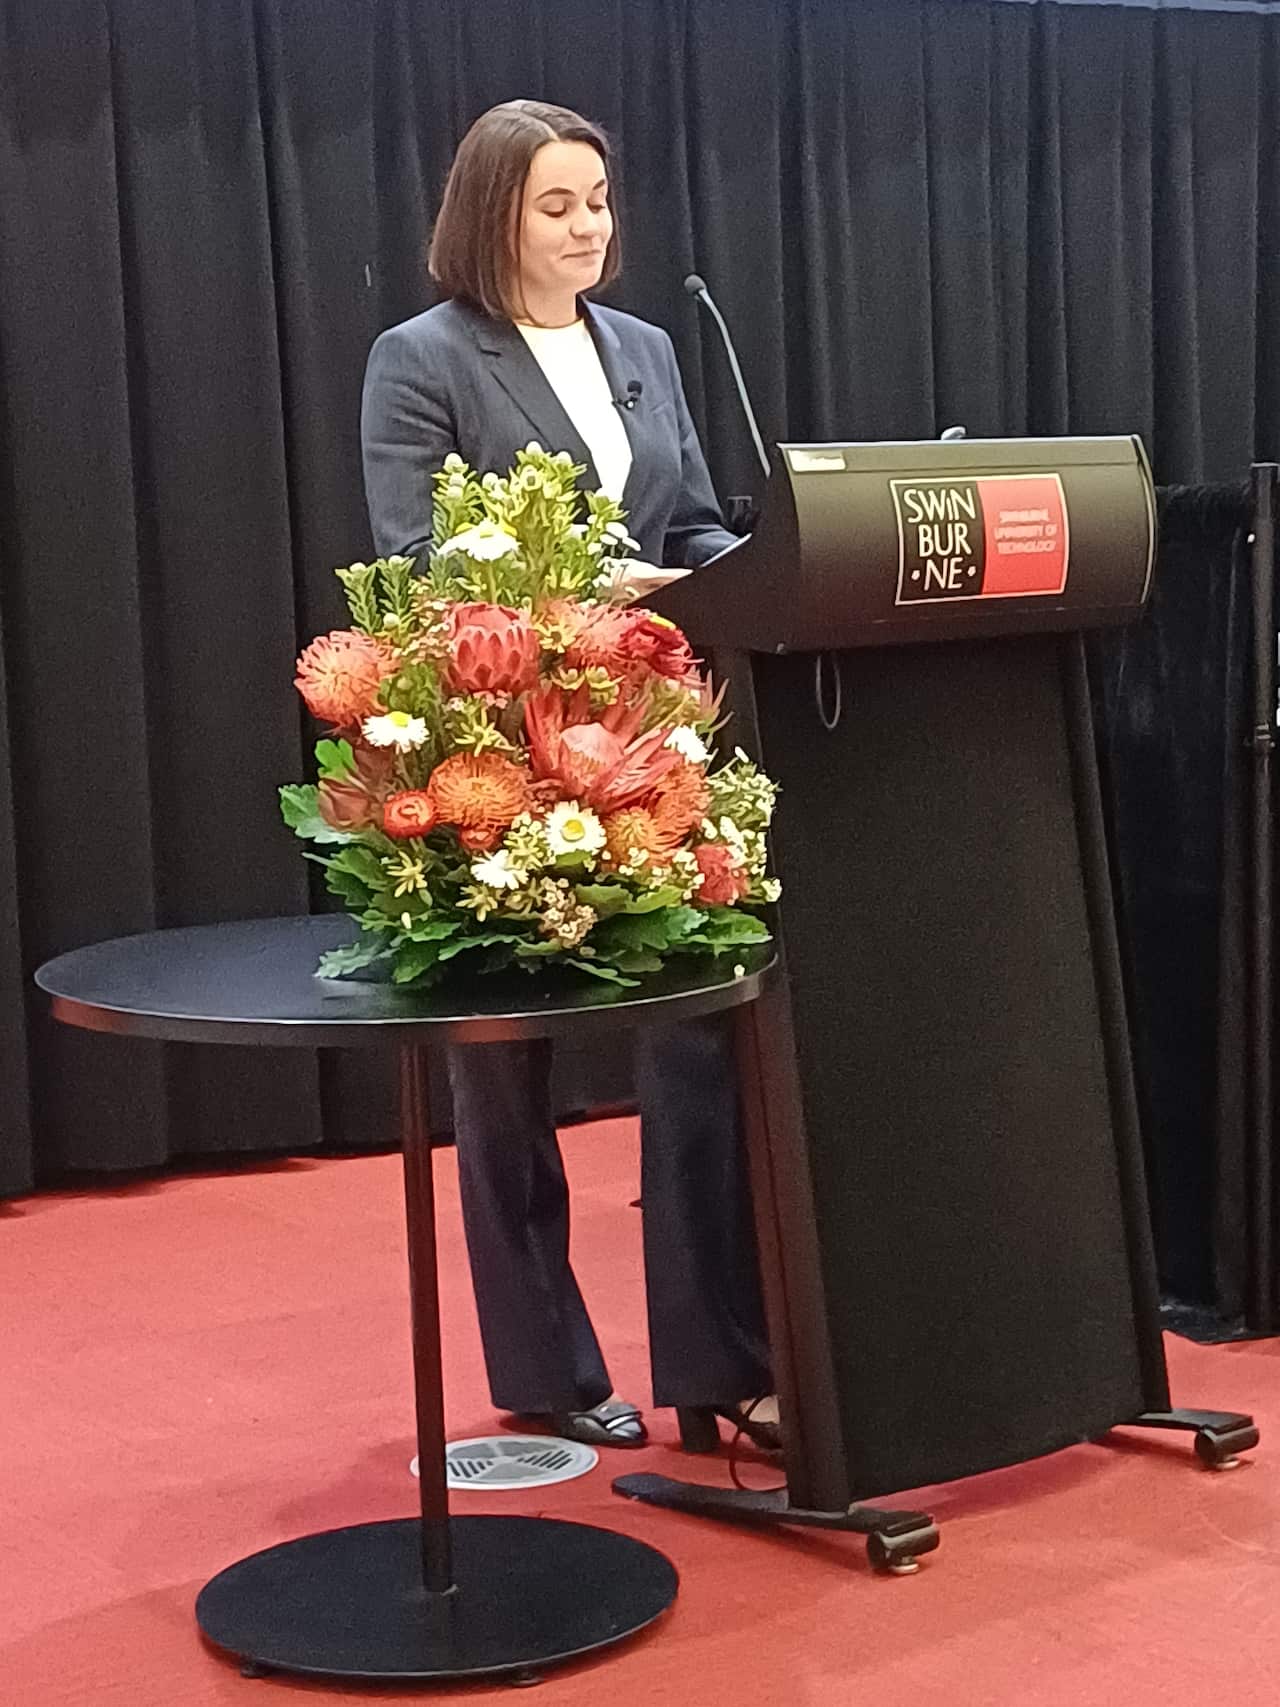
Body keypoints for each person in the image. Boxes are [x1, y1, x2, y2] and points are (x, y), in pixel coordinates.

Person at [360, 98, 774, 1451]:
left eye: (598, 199)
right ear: (494, 216)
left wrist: (736, 573)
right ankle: (542, 1362)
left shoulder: (648, 349)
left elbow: (699, 519)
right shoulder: (421, 359)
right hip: (494, 747)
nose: (589, 225)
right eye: (557, 205)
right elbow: (416, 561)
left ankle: (720, 1363)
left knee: (704, 1025)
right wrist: (587, 588)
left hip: (650, 734)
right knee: (503, 1064)